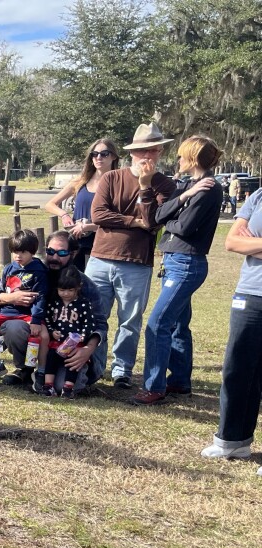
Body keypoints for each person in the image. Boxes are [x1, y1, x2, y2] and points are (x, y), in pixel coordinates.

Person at [132, 136, 224, 406]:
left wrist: (171, 217)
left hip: (187, 263)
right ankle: (180, 381)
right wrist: (183, 197)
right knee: (177, 325)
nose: (178, 160)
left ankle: (154, 387)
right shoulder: (189, 186)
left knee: (158, 323)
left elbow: (182, 227)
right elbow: (158, 217)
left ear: (193, 158)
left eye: (183, 156)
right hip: (173, 261)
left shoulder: (209, 188)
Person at [89, 122, 177, 389]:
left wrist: (145, 185)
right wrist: (132, 221)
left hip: (137, 262)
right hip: (100, 258)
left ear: (160, 152)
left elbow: (152, 221)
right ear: (132, 153)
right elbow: (98, 215)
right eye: (141, 151)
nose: (146, 156)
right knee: (95, 316)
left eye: (152, 150)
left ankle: (122, 370)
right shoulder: (111, 178)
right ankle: (93, 367)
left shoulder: (165, 185)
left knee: (130, 321)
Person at [0, 230, 108, 390]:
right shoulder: (31, 270)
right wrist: (11, 298)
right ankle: (25, 370)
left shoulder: (84, 285)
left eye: (62, 253)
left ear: (73, 253)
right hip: (38, 332)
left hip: (69, 346)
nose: (54, 258)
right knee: (14, 326)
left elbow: (100, 324)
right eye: (50, 252)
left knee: (60, 386)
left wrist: (87, 349)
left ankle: (54, 374)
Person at [201, 189, 262, 467]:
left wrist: (255, 242)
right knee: (237, 367)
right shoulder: (259, 196)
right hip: (250, 293)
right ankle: (232, 442)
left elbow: (245, 242)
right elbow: (232, 242)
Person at [0, 230, 47, 382]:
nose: (18, 256)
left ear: (33, 252)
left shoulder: (39, 271)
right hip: (7, 311)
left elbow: (40, 298)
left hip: (28, 313)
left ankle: (41, 371)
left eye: (23, 252)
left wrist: (36, 320)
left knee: (43, 336)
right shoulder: (9, 269)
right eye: (15, 252)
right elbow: (2, 289)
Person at [43, 139, 121, 271]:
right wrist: (64, 215)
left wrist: (88, 227)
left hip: (104, 244)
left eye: (104, 154)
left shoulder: (119, 184)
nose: (98, 157)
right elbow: (50, 204)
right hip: (77, 243)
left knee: (95, 287)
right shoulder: (80, 182)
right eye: (94, 154)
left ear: (113, 156)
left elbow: (118, 218)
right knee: (72, 284)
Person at [41, 266, 97, 399]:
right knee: (51, 358)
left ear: (78, 287)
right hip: (57, 343)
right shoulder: (54, 303)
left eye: (70, 290)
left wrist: (83, 336)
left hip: (75, 343)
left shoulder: (83, 304)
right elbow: (48, 319)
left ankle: (68, 388)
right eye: (62, 290)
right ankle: (48, 386)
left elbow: (89, 323)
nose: (66, 293)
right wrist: (51, 332)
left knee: (73, 363)